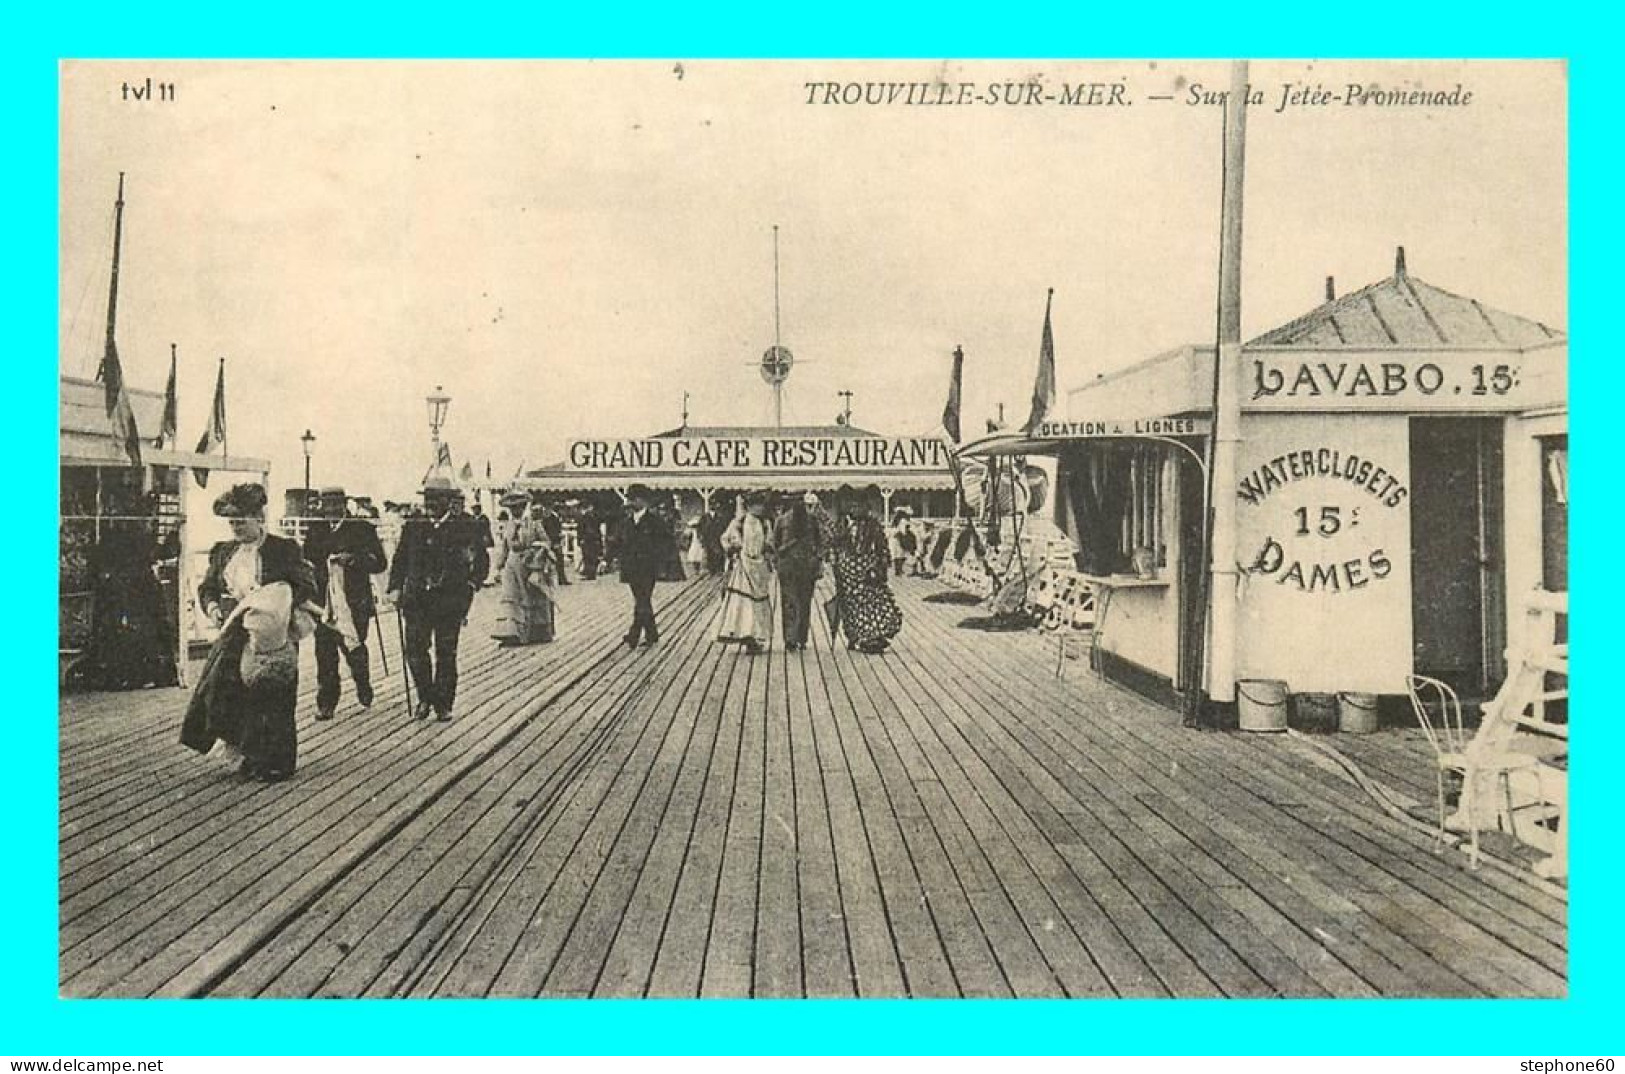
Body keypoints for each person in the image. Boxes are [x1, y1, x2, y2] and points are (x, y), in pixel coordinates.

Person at [182, 483, 318, 781]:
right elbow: (208, 588)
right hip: (235, 632)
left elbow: (306, 585)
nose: (236, 528)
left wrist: (274, 599)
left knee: (274, 693)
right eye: (232, 523)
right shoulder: (223, 552)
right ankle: (249, 755)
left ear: (259, 518)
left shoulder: (283, 550)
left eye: (241, 522)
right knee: (233, 692)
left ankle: (278, 762)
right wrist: (214, 608)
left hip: (274, 633)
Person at [387, 478, 485, 721]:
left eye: (436, 498)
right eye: (427, 498)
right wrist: (395, 587)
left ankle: (443, 704)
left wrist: (471, 585)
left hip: (450, 601)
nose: (430, 503)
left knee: (446, 653)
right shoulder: (414, 526)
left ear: (448, 500)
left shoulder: (465, 526)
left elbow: (481, 560)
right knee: (415, 651)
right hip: (417, 600)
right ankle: (425, 696)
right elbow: (400, 559)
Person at [302, 485, 388, 721]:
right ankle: (326, 702)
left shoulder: (362, 529)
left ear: (343, 505)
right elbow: (305, 559)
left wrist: (353, 560)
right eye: (325, 505)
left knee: (353, 647)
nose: (329, 509)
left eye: (334, 505)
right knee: (325, 653)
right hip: (324, 602)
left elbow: (380, 563)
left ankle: (363, 682)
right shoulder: (316, 529)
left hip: (354, 601)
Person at [491, 492, 557, 646]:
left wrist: (536, 551)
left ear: (523, 507)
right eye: (512, 508)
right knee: (512, 596)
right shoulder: (508, 525)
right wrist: (498, 566)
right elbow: (505, 547)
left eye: (518, 507)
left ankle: (536, 632)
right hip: (512, 565)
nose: (515, 511)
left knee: (532, 597)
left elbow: (546, 541)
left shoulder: (534, 523)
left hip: (529, 563)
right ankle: (512, 633)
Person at [833, 512, 904, 654]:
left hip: (867, 569)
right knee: (851, 604)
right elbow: (835, 545)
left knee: (871, 602)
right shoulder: (842, 524)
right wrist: (836, 563)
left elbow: (881, 548)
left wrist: (880, 566)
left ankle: (871, 635)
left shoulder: (873, 525)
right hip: (847, 572)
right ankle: (855, 636)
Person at [717, 491, 775, 653]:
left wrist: (768, 551)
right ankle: (746, 635)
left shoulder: (765, 523)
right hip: (743, 567)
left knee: (758, 602)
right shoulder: (739, 522)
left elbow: (770, 542)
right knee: (744, 601)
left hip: (759, 567)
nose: (759, 508)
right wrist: (733, 548)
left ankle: (757, 636)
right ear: (749, 506)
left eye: (761, 505)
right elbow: (725, 538)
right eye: (756, 504)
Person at [617, 484, 671, 649]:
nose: (630, 502)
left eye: (633, 499)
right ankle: (651, 634)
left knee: (642, 599)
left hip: (648, 567)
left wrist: (660, 562)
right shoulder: (627, 522)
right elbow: (620, 543)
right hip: (632, 568)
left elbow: (665, 543)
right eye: (629, 499)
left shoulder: (655, 522)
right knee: (642, 600)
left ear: (642, 500)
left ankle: (634, 635)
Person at [775, 492, 824, 651]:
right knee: (804, 602)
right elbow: (820, 543)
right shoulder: (811, 520)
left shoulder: (781, 520)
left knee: (790, 602)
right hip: (804, 566)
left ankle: (791, 637)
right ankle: (800, 637)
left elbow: (776, 544)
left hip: (790, 567)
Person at [469, 502, 495, 587]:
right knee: (474, 560)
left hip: (481, 543)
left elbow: (486, 530)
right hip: (474, 543)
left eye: (476, 509)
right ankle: (475, 578)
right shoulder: (471, 518)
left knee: (482, 560)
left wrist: (487, 540)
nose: (475, 510)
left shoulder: (484, 518)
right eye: (473, 509)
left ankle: (482, 578)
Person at [578, 504, 604, 580]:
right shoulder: (586, 517)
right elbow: (580, 528)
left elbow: (597, 528)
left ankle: (591, 574)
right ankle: (589, 573)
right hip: (588, 539)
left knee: (592, 557)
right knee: (588, 557)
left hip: (592, 539)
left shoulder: (594, 517)